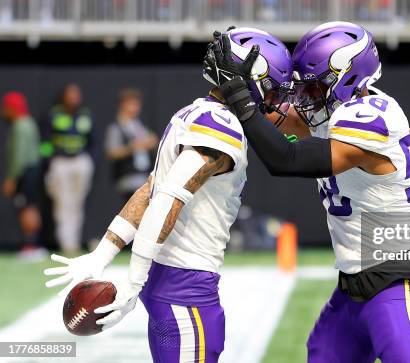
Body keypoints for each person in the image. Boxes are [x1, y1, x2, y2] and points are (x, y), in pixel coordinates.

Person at [43, 28, 292, 363]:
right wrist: (131, 282)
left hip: (167, 280)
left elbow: (150, 190)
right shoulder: (221, 126)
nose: (275, 98)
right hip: (186, 286)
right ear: (252, 78)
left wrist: (102, 255)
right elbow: (165, 199)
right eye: (273, 86)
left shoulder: (194, 112)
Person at [206, 22, 410, 362]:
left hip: (395, 284)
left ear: (347, 79)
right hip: (352, 286)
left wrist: (240, 98)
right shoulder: (330, 110)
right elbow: (269, 119)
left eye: (314, 89)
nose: (304, 98)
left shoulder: (374, 117)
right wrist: (240, 83)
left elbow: (286, 158)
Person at [42, 83, 95, 254]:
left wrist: (90, 159)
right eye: (70, 94)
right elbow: (45, 142)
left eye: (76, 93)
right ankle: (66, 243)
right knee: (63, 203)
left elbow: (92, 141)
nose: (74, 97)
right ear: (63, 96)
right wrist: (50, 159)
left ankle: (74, 242)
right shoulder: (54, 114)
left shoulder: (85, 115)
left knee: (77, 203)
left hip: (80, 161)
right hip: (60, 163)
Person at [1, 91, 45, 260]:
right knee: (30, 207)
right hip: (30, 172)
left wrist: (12, 178)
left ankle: (31, 246)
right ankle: (34, 245)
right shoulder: (28, 123)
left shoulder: (20, 125)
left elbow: (19, 155)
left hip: (25, 173)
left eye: (5, 108)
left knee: (26, 208)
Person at [105, 88, 158, 203]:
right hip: (128, 178)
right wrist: (132, 147)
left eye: (137, 104)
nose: (136, 107)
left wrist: (152, 142)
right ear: (123, 105)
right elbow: (112, 153)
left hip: (145, 177)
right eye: (132, 104)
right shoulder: (116, 128)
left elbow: (150, 141)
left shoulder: (140, 125)